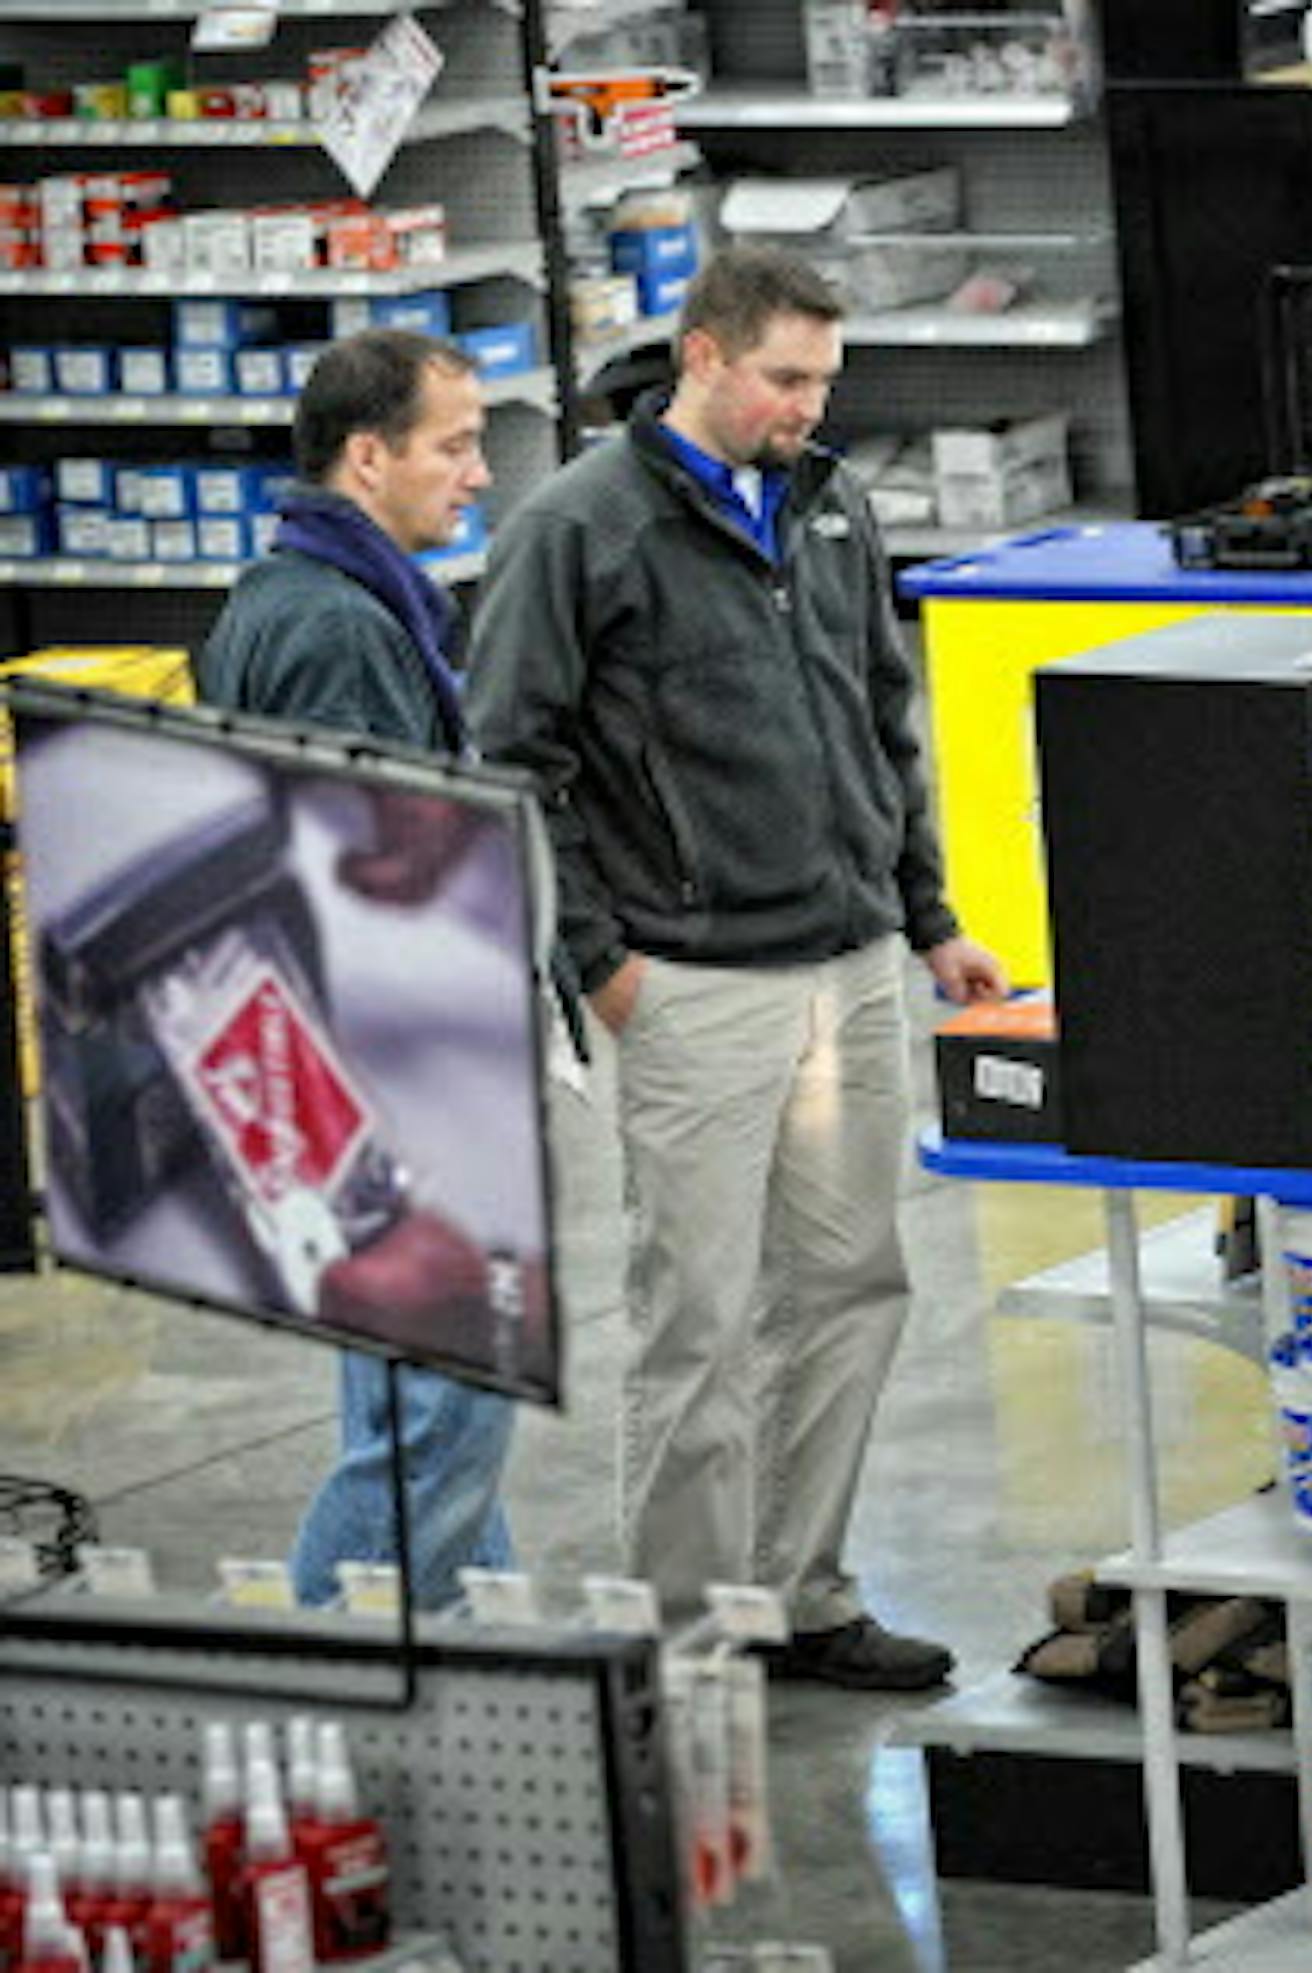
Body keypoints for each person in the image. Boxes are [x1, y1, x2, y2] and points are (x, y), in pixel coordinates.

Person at [468, 246, 1006, 1687]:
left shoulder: (830, 502)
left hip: (850, 964)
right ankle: (688, 1626)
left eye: (826, 379)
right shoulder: (580, 530)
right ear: (701, 357)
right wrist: (596, 961)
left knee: (849, 1287)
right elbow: (510, 763)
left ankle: (806, 1595)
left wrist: (931, 914)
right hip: (692, 982)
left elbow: (881, 724)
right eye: (785, 377)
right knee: (696, 1317)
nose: (808, 407)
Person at [193, 326, 516, 1612]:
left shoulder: (296, 599)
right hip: (380, 1077)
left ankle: (476, 1678)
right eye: (456, 444)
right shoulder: (335, 631)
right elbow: (370, 890)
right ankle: (330, 1672)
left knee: (418, 1412)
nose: (480, 472)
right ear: (367, 455)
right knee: (436, 1433)